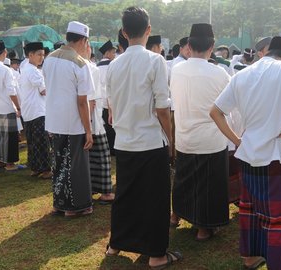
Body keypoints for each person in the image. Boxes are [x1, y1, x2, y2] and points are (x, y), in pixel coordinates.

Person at [210, 36, 281, 270]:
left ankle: (249, 257)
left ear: (267, 51)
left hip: (248, 153)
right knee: (278, 220)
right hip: (275, 155)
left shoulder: (242, 74)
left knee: (250, 210)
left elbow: (215, 111)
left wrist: (236, 140)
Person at [105, 7, 182, 269]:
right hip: (150, 142)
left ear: (124, 33)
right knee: (156, 199)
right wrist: (171, 140)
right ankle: (157, 254)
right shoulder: (155, 60)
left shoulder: (114, 64)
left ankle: (116, 243)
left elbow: (112, 106)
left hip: (125, 141)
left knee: (125, 194)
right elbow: (162, 108)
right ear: (148, 30)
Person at [170, 23, 231, 241]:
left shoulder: (176, 70)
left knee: (183, 180)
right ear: (212, 46)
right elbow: (228, 106)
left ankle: (176, 215)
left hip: (185, 136)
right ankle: (204, 228)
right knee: (208, 186)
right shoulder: (219, 73)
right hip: (210, 140)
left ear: (189, 45)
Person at [43, 21, 94, 217]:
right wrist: (88, 130)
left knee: (58, 163)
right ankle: (76, 206)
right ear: (83, 40)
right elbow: (82, 102)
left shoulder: (49, 58)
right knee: (75, 164)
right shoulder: (80, 64)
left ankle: (59, 203)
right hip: (73, 122)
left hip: (54, 121)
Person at [0, 40, 25, 171]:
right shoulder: (5, 69)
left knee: (0, 136)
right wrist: (18, 107)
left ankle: (0, 161)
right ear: (5, 52)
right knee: (10, 136)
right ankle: (10, 164)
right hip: (7, 105)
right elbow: (11, 92)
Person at [83, 43, 115, 204]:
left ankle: (91, 187)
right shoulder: (91, 68)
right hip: (94, 116)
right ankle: (105, 191)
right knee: (102, 155)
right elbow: (92, 100)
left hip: (83, 119)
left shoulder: (86, 66)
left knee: (88, 157)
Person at [18, 42, 53, 179]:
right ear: (30, 55)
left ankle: (35, 168)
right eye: (39, 54)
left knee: (33, 142)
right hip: (38, 111)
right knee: (42, 142)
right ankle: (45, 169)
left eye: (43, 55)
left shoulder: (25, 67)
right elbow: (44, 91)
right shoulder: (33, 70)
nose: (41, 58)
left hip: (29, 111)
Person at [97, 40, 117, 155]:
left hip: (101, 101)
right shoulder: (112, 66)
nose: (114, 55)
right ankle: (113, 149)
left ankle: (107, 147)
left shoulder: (96, 66)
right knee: (112, 126)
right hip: (111, 100)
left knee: (104, 126)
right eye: (113, 53)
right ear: (108, 53)